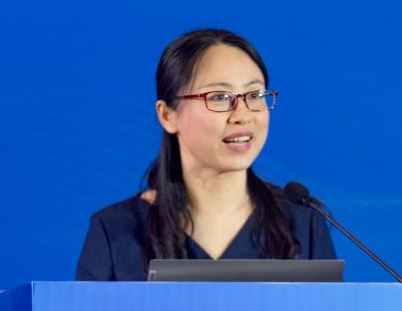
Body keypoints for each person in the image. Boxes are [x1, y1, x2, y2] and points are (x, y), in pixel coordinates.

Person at [76, 28, 336, 281]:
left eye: (255, 94)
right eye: (220, 97)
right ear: (168, 115)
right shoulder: (115, 231)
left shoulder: (304, 223)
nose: (242, 115)